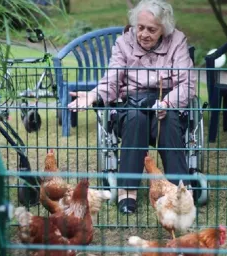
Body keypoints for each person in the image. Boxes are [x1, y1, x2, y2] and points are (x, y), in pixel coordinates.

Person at [67, 0, 196, 214]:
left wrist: (167, 103)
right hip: (131, 104)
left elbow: (188, 84)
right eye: (140, 27)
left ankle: (179, 191)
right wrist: (92, 95)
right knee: (135, 117)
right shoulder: (123, 43)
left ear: (164, 29)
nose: (144, 34)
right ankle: (128, 191)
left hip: (165, 102)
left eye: (151, 29)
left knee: (170, 119)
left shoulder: (177, 41)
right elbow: (111, 80)